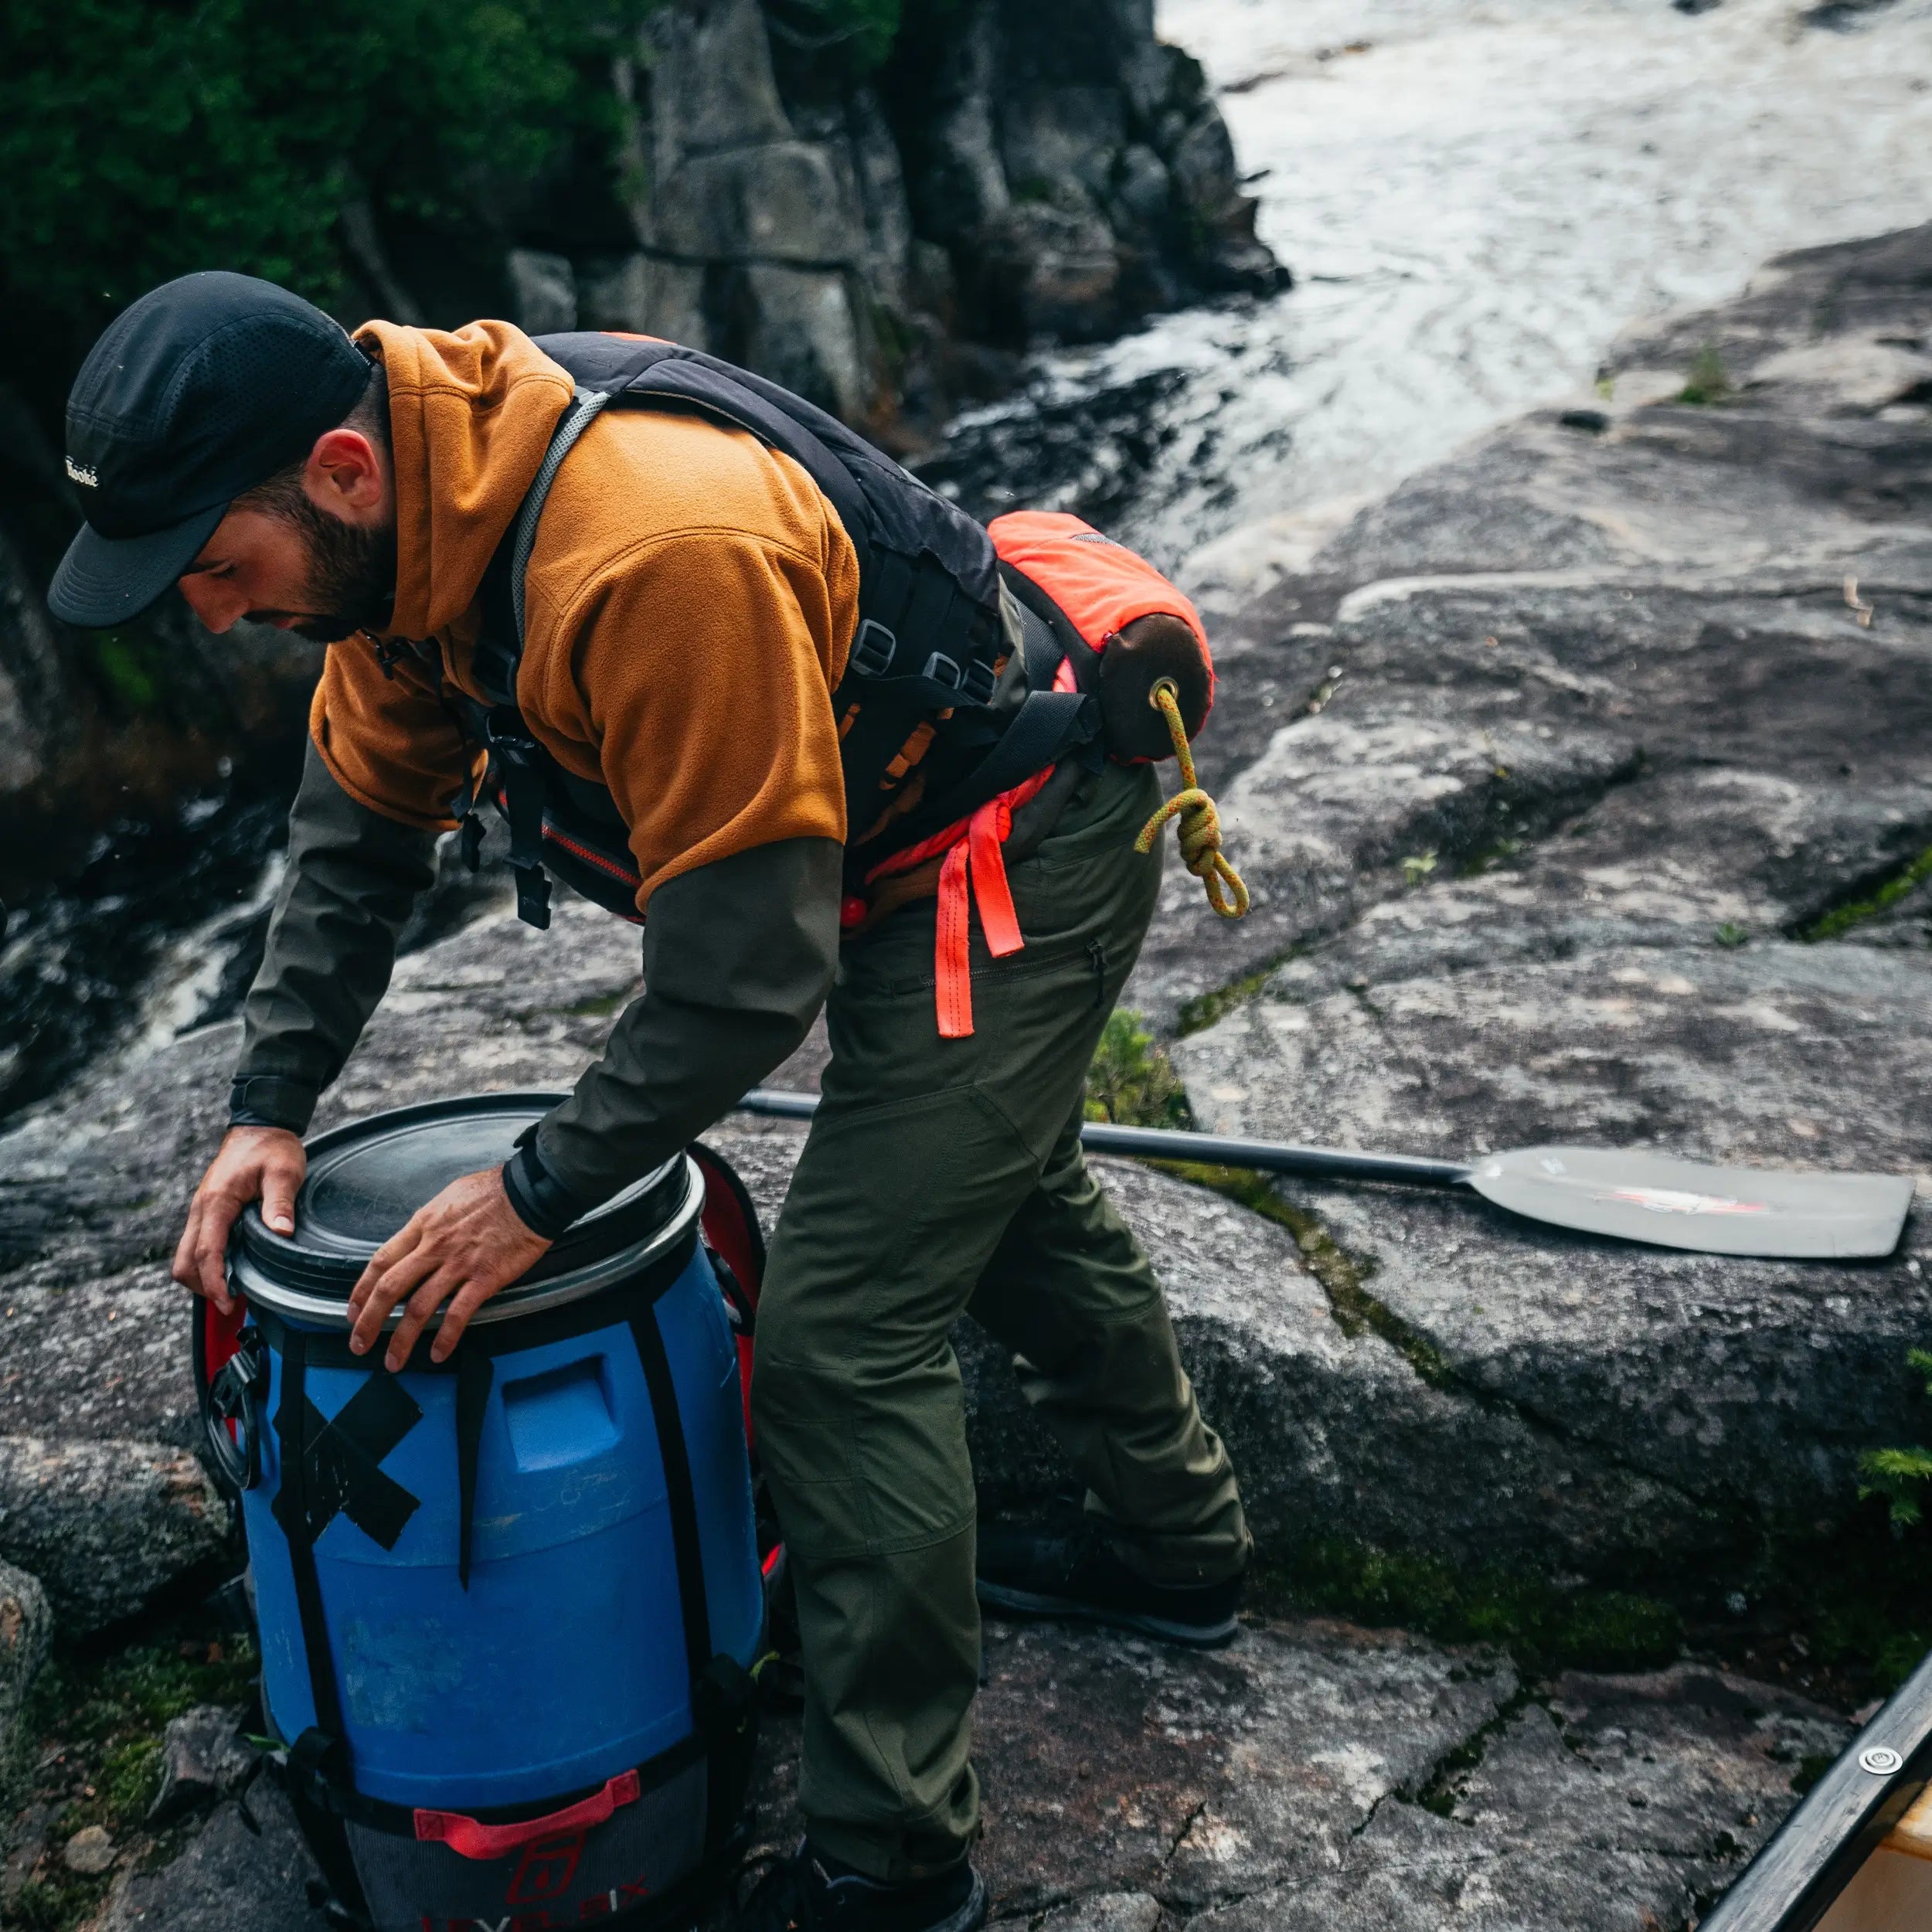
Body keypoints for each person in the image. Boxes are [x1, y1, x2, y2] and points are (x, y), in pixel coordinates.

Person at [49, 271, 1252, 1932]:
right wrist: (269, 1100)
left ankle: (894, 1863)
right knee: (992, 1183)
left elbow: (744, 975)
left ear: (335, 470)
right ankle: (1181, 1547)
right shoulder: (403, 550)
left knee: (842, 1340)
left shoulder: (643, 552)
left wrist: (539, 1187)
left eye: (214, 565)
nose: (210, 612)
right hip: (866, 828)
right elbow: (356, 840)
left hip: (1015, 837)